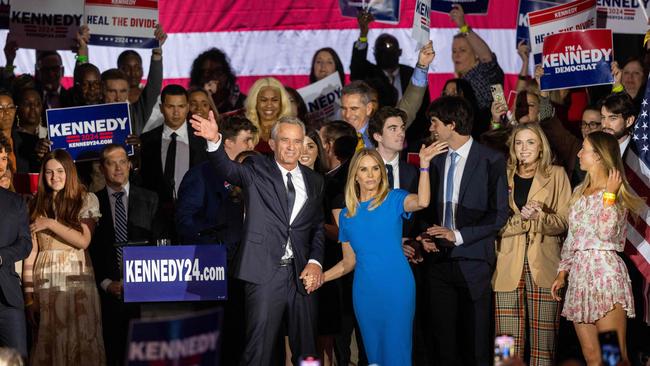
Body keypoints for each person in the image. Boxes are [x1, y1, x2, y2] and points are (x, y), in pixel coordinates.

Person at [190, 113, 325, 365]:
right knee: (258, 350)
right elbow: (227, 168)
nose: (292, 147)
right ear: (272, 143)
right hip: (264, 273)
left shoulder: (315, 181)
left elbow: (316, 226)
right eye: (285, 140)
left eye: (297, 141)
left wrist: (315, 262)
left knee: (307, 351)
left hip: (302, 275)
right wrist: (214, 140)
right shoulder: (257, 169)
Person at [320, 142, 447, 366]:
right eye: (364, 169)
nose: (370, 175)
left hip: (397, 289)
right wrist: (321, 277)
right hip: (365, 293)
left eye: (375, 168)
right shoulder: (347, 216)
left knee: (397, 354)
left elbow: (423, 201)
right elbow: (348, 262)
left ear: (382, 172)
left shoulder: (394, 199)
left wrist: (424, 166)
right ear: (355, 176)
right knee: (374, 356)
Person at [417, 95, 509, 366]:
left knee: (477, 340)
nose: (431, 129)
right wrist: (426, 235)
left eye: (434, 123)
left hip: (473, 261)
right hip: (438, 263)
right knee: (444, 342)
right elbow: (425, 209)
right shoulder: (434, 159)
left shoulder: (490, 159)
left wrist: (456, 235)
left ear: (451, 124)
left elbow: (499, 214)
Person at [551, 131, 643, 365]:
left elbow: (606, 232)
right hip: (580, 279)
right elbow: (573, 237)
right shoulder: (578, 192)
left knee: (612, 357)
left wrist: (610, 195)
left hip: (605, 279)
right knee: (592, 356)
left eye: (585, 149)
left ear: (600, 156)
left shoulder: (615, 192)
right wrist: (563, 272)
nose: (579, 154)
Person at [492, 124, 571, 365]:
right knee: (505, 345)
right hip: (507, 265)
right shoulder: (500, 174)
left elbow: (565, 222)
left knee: (543, 345)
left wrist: (540, 218)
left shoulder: (556, 174)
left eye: (530, 142)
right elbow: (493, 224)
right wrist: (522, 219)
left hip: (545, 265)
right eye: (518, 142)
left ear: (541, 147)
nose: (523, 148)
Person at [23, 149, 106, 365]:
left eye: (60, 171)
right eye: (49, 172)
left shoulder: (86, 199)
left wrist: (50, 223)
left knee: (80, 337)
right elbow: (31, 254)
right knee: (49, 340)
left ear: (69, 171)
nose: (54, 177)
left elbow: (83, 241)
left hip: (76, 278)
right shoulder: (35, 204)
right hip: (45, 280)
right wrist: (29, 295)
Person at [89, 144, 160, 366]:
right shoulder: (92, 202)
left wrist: (142, 281)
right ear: (102, 168)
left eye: (122, 161)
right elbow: (91, 250)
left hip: (145, 296)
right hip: (108, 296)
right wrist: (106, 283)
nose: (118, 168)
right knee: (114, 355)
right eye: (111, 163)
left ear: (130, 164)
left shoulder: (150, 199)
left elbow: (161, 244)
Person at [140, 84, 208, 241]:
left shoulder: (203, 140)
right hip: (156, 220)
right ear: (161, 108)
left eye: (181, 106)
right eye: (170, 106)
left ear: (188, 107)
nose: (176, 112)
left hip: (195, 217)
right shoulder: (146, 141)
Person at [0, 133, 30, 358]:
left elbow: (25, 244)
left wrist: (2, 256)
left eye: (3, 158)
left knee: (17, 359)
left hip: (7, 299)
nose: (1, 163)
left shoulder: (16, 202)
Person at [188, 47, 246, 115]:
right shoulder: (188, 102)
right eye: (207, 73)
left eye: (218, 72)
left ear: (226, 74)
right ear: (199, 77)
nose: (214, 77)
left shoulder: (243, 102)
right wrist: (206, 95)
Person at [244, 77, 292, 152]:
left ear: (282, 103)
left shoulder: (292, 129)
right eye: (263, 100)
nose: (269, 105)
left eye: (274, 100)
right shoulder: (244, 129)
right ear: (255, 102)